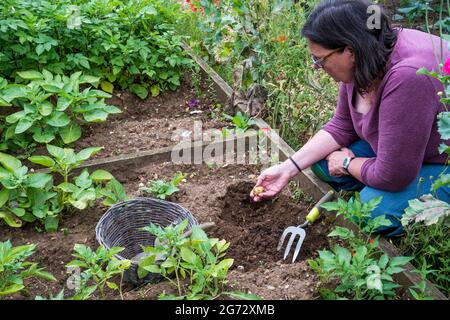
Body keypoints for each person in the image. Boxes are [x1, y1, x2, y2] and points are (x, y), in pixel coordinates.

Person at [250, 0, 450, 237]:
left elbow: (393, 176)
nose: (317, 67)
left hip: (442, 160)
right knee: (323, 164)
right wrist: (287, 168)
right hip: (412, 139)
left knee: (366, 212)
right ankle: (374, 181)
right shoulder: (367, 55)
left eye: (320, 59)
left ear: (350, 51)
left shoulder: (407, 77)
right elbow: (342, 125)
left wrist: (347, 164)